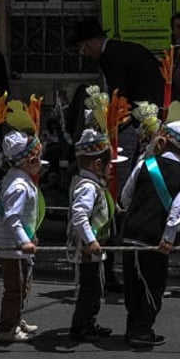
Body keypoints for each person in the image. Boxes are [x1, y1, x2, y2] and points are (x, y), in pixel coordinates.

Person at [119, 119, 180, 348]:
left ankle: (133, 326)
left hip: (131, 233)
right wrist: (169, 238)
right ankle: (142, 330)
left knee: (132, 282)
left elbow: (125, 197)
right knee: (153, 284)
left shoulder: (145, 164)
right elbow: (177, 212)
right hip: (155, 239)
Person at [0, 128, 42, 343]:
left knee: (23, 285)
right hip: (10, 246)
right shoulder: (18, 185)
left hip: (16, 245)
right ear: (30, 159)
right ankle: (6, 328)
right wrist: (24, 241)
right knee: (14, 289)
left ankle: (16, 318)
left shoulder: (17, 178)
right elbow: (12, 217)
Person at [68, 123, 117, 341]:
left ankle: (90, 322)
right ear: (98, 164)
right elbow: (79, 214)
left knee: (96, 286)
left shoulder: (89, 182)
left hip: (93, 247)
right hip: (87, 248)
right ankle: (80, 327)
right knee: (90, 288)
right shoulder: (88, 186)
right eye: (109, 164)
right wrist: (90, 240)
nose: (111, 168)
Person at [71, 17, 164, 106]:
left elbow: (117, 92)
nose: (85, 54)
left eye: (83, 49)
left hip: (144, 103)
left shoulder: (111, 56)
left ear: (92, 43)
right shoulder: (116, 49)